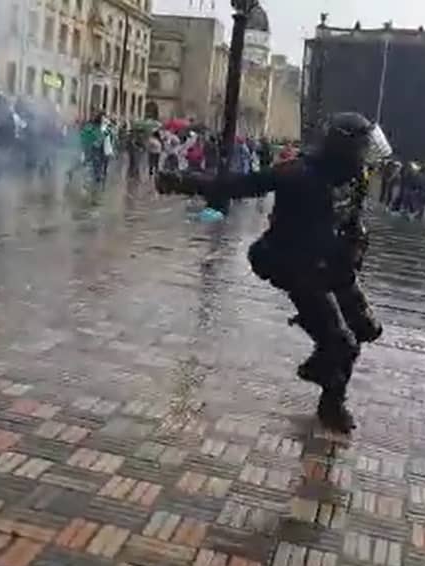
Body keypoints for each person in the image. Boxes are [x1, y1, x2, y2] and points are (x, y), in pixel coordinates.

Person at [156, 112, 392, 432]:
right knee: (342, 344)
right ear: (342, 148)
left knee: (364, 329)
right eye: (360, 147)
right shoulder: (299, 174)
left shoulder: (357, 177)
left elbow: (352, 217)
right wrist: (183, 182)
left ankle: (322, 364)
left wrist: (357, 243)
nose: (365, 155)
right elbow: (241, 185)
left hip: (334, 264)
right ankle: (331, 403)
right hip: (296, 265)